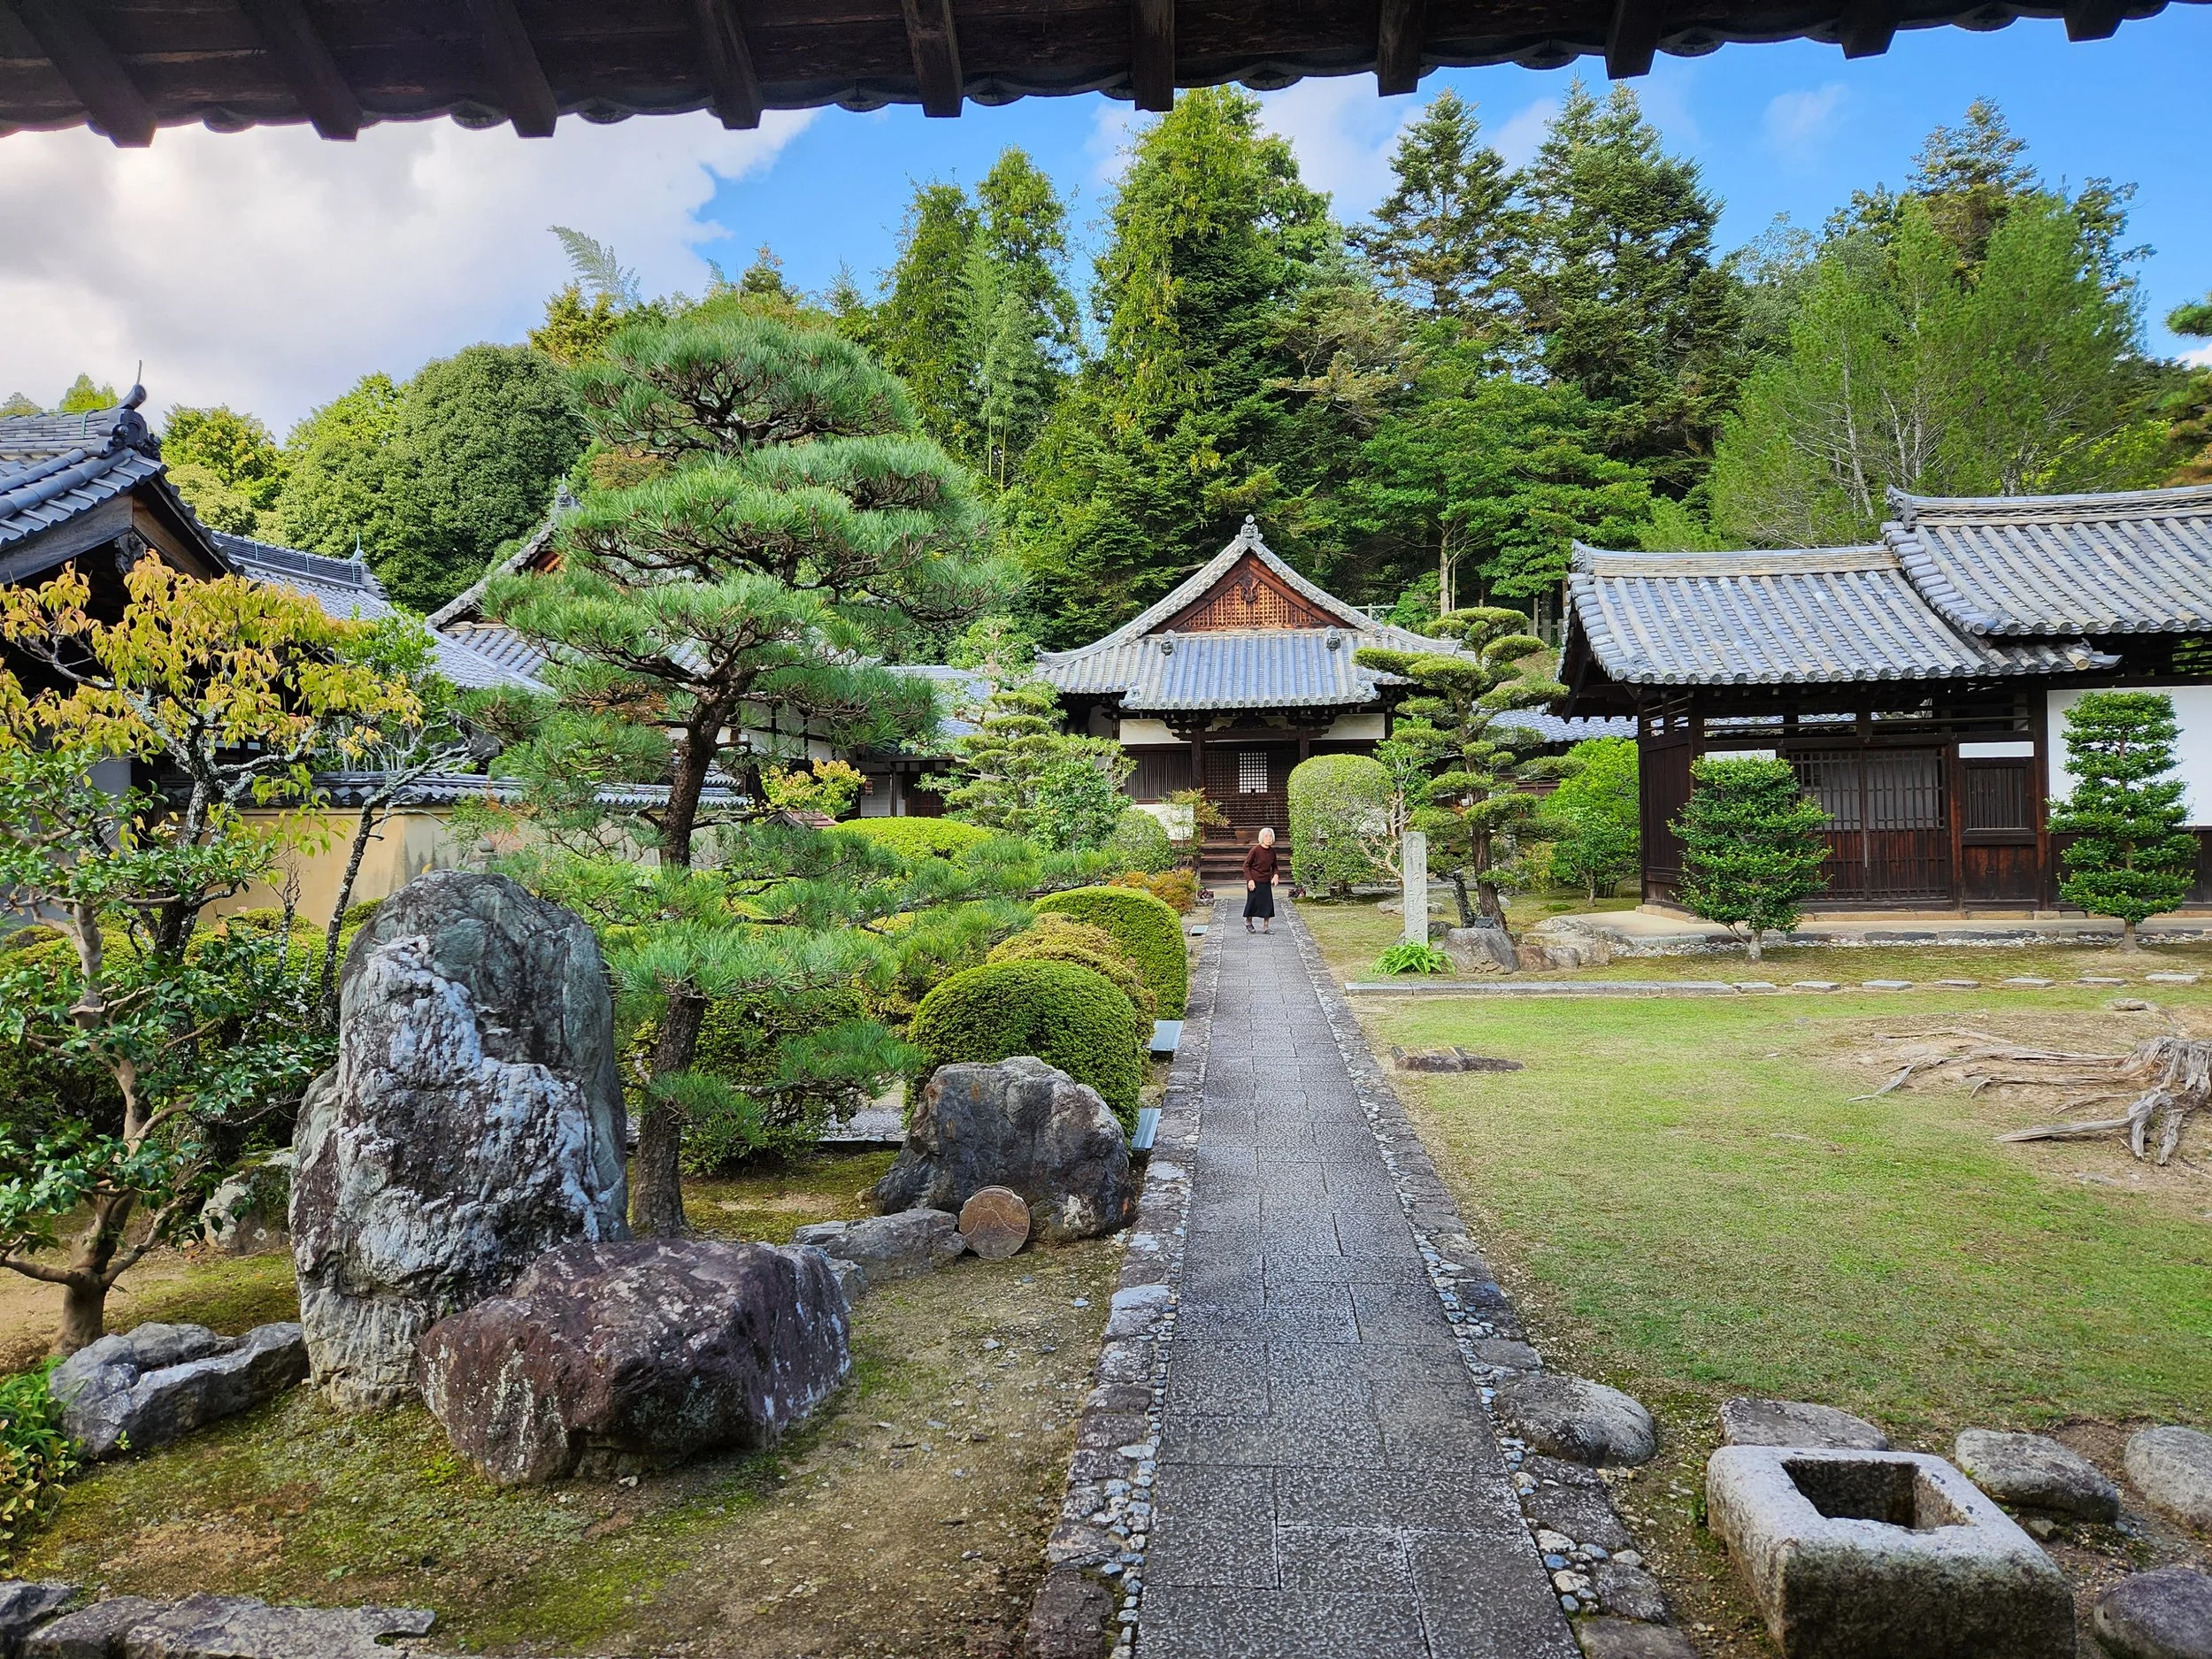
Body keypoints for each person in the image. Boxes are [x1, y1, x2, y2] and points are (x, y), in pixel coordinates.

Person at [1243, 826, 1279, 933]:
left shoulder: (1272, 852)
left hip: (1266, 880)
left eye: (1271, 836)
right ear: (1262, 838)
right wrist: (1250, 880)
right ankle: (1248, 921)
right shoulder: (1255, 850)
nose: (1269, 838)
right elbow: (1246, 866)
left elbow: (1275, 866)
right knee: (1253, 902)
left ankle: (1266, 927)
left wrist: (1276, 875)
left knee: (1267, 903)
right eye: (1267, 836)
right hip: (1254, 880)